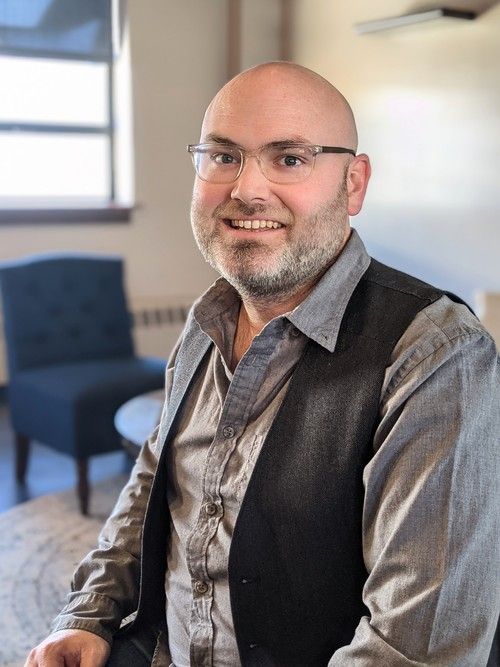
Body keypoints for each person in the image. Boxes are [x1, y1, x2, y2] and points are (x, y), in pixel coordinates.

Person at [26, 62, 499, 667]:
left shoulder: (434, 356)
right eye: (223, 156)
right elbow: (154, 482)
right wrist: (90, 613)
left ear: (354, 184)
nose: (247, 189)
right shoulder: (207, 322)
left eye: (290, 158)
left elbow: (413, 649)